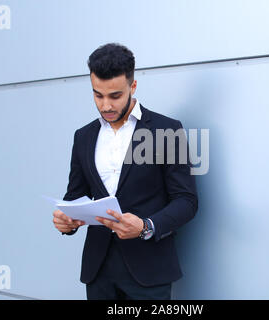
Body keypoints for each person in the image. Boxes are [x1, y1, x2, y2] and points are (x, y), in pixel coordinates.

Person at [52, 43, 198, 300]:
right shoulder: (84, 136)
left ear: (133, 87)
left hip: (149, 270)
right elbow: (76, 196)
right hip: (98, 271)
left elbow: (186, 201)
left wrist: (146, 226)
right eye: (98, 95)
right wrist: (67, 221)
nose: (106, 105)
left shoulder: (166, 130)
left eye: (115, 96)